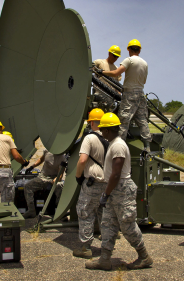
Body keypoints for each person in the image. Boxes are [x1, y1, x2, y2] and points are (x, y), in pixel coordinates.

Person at [85, 112, 153, 270]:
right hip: (113, 189)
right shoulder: (114, 144)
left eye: (103, 130)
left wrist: (106, 194)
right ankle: (104, 259)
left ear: (108, 130)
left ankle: (144, 256)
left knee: (127, 226)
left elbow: (116, 174)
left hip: (120, 190)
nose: (101, 132)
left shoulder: (118, 146)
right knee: (108, 225)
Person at [102, 39, 151, 151]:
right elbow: (144, 81)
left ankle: (118, 146)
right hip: (140, 93)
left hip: (129, 93)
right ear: (139, 50)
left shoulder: (129, 60)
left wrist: (102, 72)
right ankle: (147, 145)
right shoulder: (145, 63)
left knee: (124, 119)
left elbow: (116, 73)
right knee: (142, 119)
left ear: (129, 50)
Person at [73, 108, 108, 259]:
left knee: (85, 211)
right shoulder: (110, 138)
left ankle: (86, 247)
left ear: (92, 122)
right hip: (107, 183)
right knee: (103, 213)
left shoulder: (89, 138)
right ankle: (107, 246)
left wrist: (78, 176)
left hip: (92, 183)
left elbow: (82, 160)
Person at [0, 119, 28, 203]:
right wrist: (24, 162)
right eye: (1, 129)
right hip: (3, 171)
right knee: (7, 201)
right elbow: (16, 156)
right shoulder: (7, 138)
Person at [22, 149, 67, 219]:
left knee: (60, 186)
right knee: (27, 186)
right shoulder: (47, 151)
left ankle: (60, 211)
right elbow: (41, 159)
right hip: (42, 177)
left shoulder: (62, 158)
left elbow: (60, 175)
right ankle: (31, 210)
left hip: (53, 178)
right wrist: (32, 166)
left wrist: (56, 180)